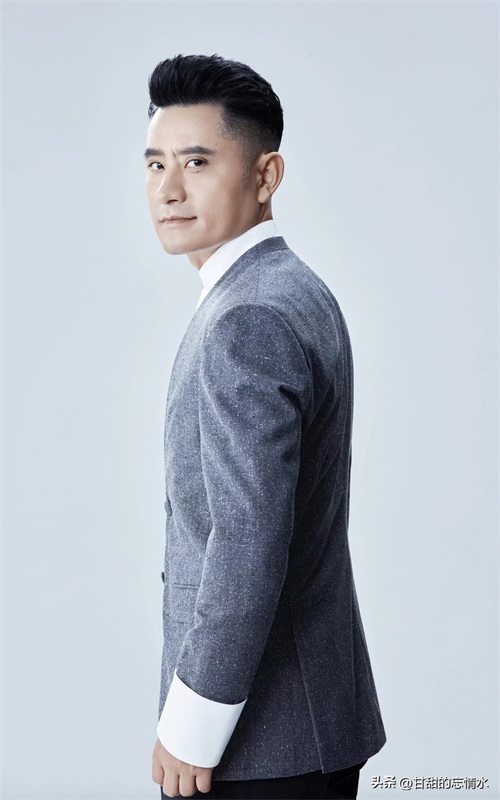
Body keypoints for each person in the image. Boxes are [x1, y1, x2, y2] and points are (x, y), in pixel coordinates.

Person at [145, 54, 387, 800]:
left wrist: (192, 722)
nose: (169, 189)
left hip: (261, 741)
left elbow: (247, 539)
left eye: (196, 162)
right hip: (308, 721)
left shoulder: (246, 316)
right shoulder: (293, 288)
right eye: (154, 164)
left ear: (266, 175)